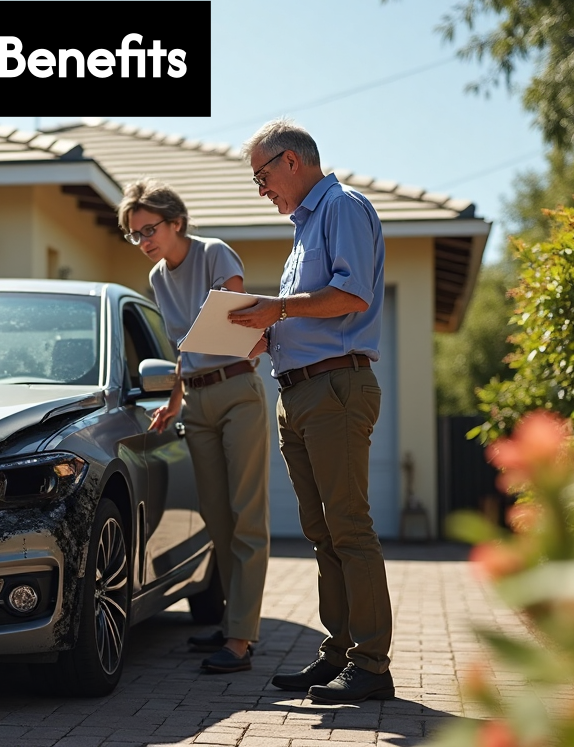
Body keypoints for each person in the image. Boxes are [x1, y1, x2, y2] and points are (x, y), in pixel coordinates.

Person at [228, 119, 395, 703]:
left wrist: (275, 309)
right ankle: (340, 653)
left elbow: (352, 296)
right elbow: (305, 315)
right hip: (298, 392)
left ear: (291, 160)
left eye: (262, 175)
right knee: (323, 532)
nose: (261, 189)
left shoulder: (343, 208)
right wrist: (264, 336)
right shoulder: (304, 230)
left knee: (348, 527)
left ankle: (373, 666)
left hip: (334, 392)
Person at [117, 178, 270, 675]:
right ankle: (231, 624)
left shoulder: (214, 255)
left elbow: (235, 321)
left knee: (246, 516)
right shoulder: (159, 278)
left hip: (236, 391)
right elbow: (184, 345)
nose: (143, 242)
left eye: (149, 230)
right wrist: (175, 400)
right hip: (198, 400)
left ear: (176, 222)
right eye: (135, 235)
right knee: (217, 519)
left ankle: (243, 639)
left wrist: (210, 342)